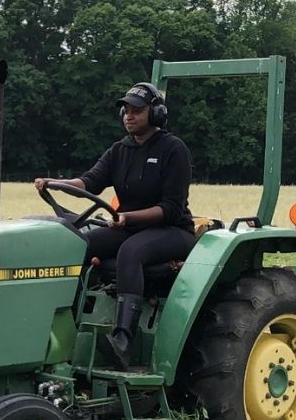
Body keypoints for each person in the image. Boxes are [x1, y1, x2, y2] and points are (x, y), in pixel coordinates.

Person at [35, 82, 193, 369]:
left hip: (172, 230)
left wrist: (128, 218)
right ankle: (64, 325)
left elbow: (171, 209)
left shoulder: (173, 149)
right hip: (128, 226)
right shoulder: (120, 150)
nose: (128, 116)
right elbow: (88, 182)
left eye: (137, 110)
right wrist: (56, 184)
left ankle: (122, 340)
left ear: (156, 114)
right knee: (79, 243)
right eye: (125, 110)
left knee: (130, 252)